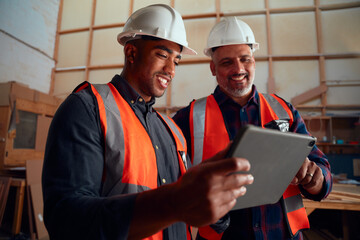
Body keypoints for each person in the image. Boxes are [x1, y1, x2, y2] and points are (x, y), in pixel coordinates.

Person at [41, 5, 255, 240]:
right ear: (131, 53)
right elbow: (66, 221)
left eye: (177, 60)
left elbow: (188, 207)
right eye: (162, 55)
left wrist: (215, 206)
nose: (171, 70)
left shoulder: (172, 130)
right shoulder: (88, 108)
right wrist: (173, 203)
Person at [173, 17, 333, 240]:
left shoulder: (284, 110)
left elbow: (322, 169)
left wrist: (317, 180)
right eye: (227, 62)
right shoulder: (187, 118)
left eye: (245, 59)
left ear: (254, 62)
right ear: (213, 67)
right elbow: (173, 185)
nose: (238, 69)